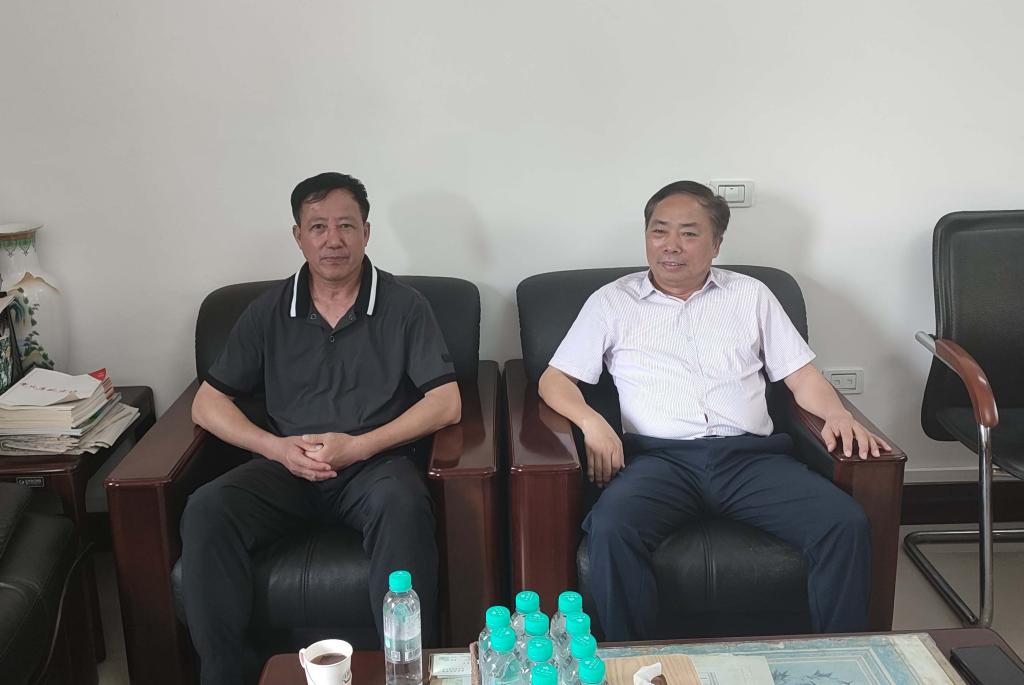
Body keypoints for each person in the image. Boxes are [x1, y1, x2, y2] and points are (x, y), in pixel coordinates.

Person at [538, 180, 890, 641]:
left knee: (843, 524)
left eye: (689, 233)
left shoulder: (751, 295)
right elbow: (554, 380)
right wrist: (592, 422)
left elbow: (801, 377)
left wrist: (838, 414)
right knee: (611, 529)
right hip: (658, 460)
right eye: (659, 231)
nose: (671, 245)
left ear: (716, 243)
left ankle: (840, 659)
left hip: (750, 460)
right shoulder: (611, 302)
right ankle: (634, 663)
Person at [180, 172, 461, 684]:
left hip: (373, 467)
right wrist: (275, 447)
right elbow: (207, 403)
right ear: (298, 236)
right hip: (285, 467)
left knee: (403, 504)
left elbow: (446, 403)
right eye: (318, 227)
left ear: (366, 233)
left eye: (346, 226)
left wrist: (360, 446)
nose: (333, 240)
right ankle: (227, 675)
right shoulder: (268, 310)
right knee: (207, 508)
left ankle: (403, 673)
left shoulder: (404, 306)